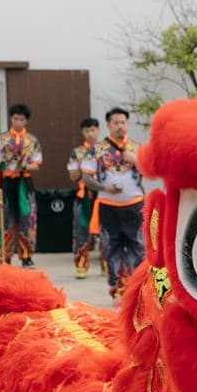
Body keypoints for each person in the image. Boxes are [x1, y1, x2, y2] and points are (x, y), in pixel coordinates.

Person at [90, 107, 145, 296]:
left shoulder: (137, 148)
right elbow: (85, 178)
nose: (120, 126)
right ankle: (117, 290)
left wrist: (136, 160)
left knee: (138, 247)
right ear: (108, 125)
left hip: (135, 204)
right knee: (110, 247)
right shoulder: (97, 150)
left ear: (127, 124)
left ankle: (136, 289)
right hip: (108, 206)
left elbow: (150, 170)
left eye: (123, 122)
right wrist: (105, 188)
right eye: (116, 123)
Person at [0, 102, 42, 268]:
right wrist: (6, 161)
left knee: (27, 219)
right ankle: (5, 257)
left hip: (24, 183)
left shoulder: (32, 140)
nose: (18, 122)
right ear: (11, 119)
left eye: (21, 119)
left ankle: (26, 256)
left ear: (26, 121)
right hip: (6, 182)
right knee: (6, 219)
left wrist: (25, 166)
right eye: (15, 118)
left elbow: (37, 163)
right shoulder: (1, 138)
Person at [65, 116, 103, 276]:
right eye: (87, 130)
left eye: (93, 130)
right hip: (83, 196)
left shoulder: (105, 150)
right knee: (81, 231)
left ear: (98, 130)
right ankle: (81, 265)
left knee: (105, 231)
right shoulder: (77, 152)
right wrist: (83, 169)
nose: (90, 134)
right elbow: (73, 176)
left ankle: (107, 266)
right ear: (82, 132)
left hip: (102, 194)